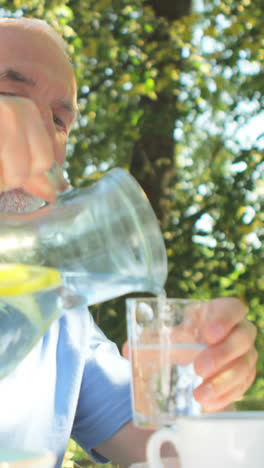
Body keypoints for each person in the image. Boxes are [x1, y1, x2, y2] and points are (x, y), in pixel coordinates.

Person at [0, 17, 258, 468]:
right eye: (9, 95)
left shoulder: (59, 311)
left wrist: (205, 385)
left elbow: (173, 453)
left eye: (59, 120)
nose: (41, 128)